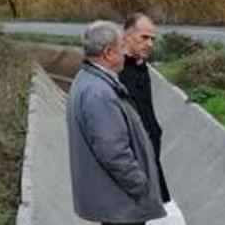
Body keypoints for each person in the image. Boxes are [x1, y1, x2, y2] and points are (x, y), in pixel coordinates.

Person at [67, 21, 166, 225]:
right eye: (122, 46)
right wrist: (140, 184)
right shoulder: (98, 93)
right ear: (109, 53)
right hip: (121, 204)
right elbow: (112, 150)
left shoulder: (89, 81)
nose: (126, 52)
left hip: (115, 201)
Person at [120, 13, 171, 204]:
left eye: (153, 39)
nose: (150, 44)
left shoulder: (141, 68)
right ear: (126, 36)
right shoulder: (116, 71)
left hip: (147, 161)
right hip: (130, 168)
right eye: (144, 37)